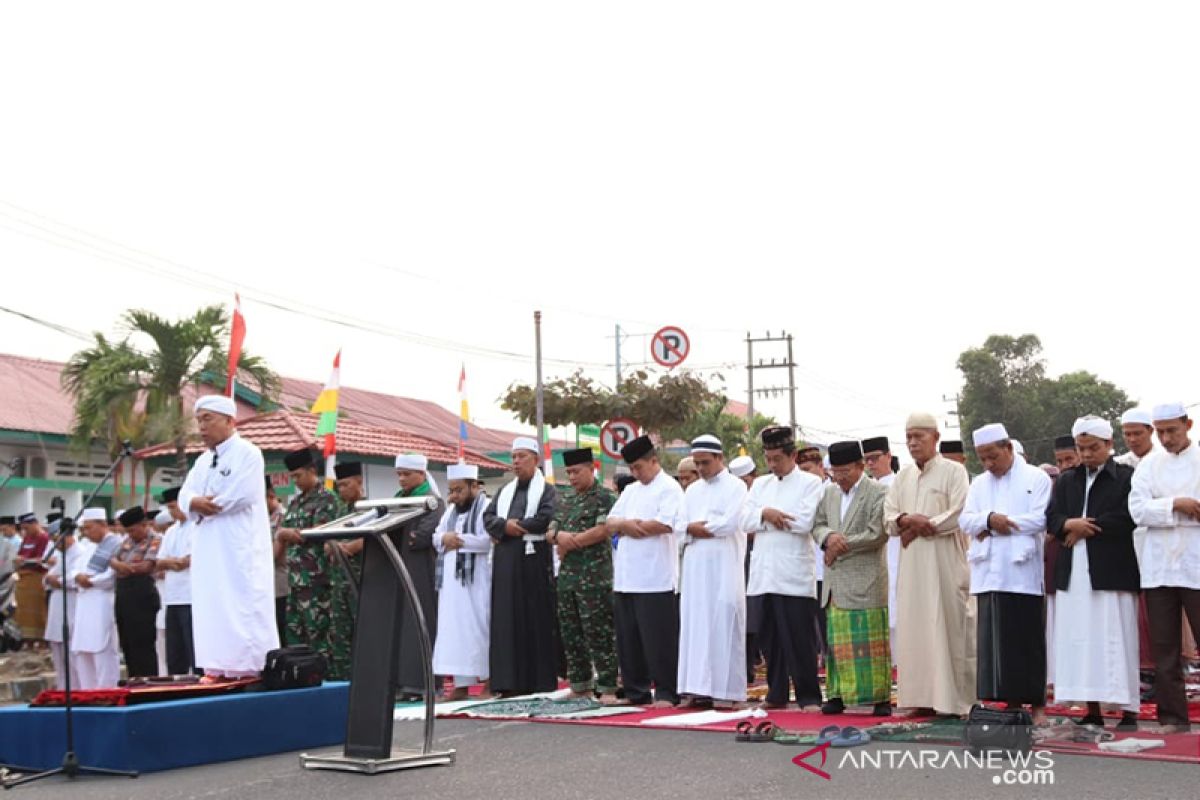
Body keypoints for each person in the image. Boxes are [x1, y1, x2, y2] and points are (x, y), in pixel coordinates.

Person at [177, 394, 279, 680]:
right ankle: (216, 666)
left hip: (238, 546)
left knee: (242, 603)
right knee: (212, 603)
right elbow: (186, 494)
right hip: (209, 545)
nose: (201, 426)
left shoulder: (248, 453)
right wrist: (195, 502)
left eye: (207, 419)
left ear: (230, 420)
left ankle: (247, 667)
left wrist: (207, 503)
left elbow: (242, 494)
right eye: (198, 420)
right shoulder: (202, 460)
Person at [1051, 415, 1141, 731]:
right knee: (1081, 639)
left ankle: (1128, 710)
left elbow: (1129, 516)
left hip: (1111, 570)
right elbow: (1051, 517)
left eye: (1093, 448)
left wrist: (1086, 527)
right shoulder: (1066, 480)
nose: (1087, 455)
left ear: (1109, 445)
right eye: (1082, 448)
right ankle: (1092, 709)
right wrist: (1067, 525)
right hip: (1074, 572)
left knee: (1117, 638)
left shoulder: (1126, 477)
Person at [884, 412, 974, 718]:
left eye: (919, 437)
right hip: (912, 568)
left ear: (935, 438)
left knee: (949, 628)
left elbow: (959, 512)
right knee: (914, 629)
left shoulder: (954, 471)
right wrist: (906, 521)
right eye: (908, 437)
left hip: (945, 561)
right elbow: (889, 518)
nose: (912, 443)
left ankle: (955, 702)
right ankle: (920, 699)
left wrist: (923, 525)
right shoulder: (902, 477)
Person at [960, 424, 1052, 724]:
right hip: (989, 573)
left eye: (993, 456)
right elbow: (967, 520)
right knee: (997, 645)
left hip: (1023, 574)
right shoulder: (978, 484)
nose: (988, 464)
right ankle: (1010, 704)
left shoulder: (1035, 478)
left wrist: (996, 526)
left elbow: (1039, 519)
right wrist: (988, 520)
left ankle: (1037, 706)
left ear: (1009, 448)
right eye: (983, 458)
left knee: (1028, 642)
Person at [741, 426, 825, 710]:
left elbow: (803, 522)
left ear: (792, 456)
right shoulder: (761, 485)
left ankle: (808, 696)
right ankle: (776, 694)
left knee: (799, 639)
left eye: (777, 458)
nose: (772, 464)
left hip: (793, 574)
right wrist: (767, 514)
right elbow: (744, 520)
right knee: (770, 638)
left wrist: (764, 520)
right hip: (764, 573)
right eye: (768, 458)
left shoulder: (810, 484)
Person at [1129, 402, 1200, 733]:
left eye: (1172, 430)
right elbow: (1138, 510)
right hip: (1158, 566)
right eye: (1161, 432)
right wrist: (1177, 504)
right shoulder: (1148, 466)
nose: (1167, 438)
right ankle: (1173, 718)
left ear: (1188, 424)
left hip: (1195, 562)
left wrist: (1163, 510)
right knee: (1165, 647)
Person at [813, 440, 891, 716]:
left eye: (845, 471)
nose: (840, 477)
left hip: (866, 578)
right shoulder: (830, 493)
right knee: (837, 644)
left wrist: (839, 545)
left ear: (860, 466)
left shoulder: (878, 492)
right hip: (835, 581)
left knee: (870, 642)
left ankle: (879, 698)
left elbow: (877, 533)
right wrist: (827, 538)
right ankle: (837, 695)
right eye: (835, 471)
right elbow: (817, 524)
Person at [605, 435, 684, 707]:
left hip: (656, 577)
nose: (636, 473)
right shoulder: (630, 491)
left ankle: (666, 692)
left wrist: (628, 526)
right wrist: (630, 525)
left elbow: (664, 524)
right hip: (626, 577)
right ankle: (635, 691)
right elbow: (610, 521)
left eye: (639, 467)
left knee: (659, 639)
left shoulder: (669, 488)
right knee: (629, 640)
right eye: (632, 469)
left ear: (654, 461)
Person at [483, 438, 558, 696]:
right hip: (505, 560)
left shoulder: (546, 490)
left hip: (532, 558)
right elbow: (489, 517)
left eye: (521, 456)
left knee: (534, 616)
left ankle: (538, 680)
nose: (515, 462)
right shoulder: (505, 490)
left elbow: (546, 517)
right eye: (513, 457)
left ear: (535, 459)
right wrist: (505, 527)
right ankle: (507, 681)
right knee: (505, 619)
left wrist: (519, 526)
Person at [679, 434, 748, 709]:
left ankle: (726, 691)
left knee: (724, 623)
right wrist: (697, 528)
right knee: (695, 625)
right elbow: (680, 524)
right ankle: (695, 689)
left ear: (720, 458)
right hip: (695, 567)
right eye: (697, 464)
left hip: (724, 567)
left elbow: (729, 524)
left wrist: (698, 528)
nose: (701, 469)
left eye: (706, 463)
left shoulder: (736, 487)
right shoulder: (692, 490)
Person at [552, 448, 619, 701]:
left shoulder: (605, 497)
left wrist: (572, 541)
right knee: (571, 632)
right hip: (568, 576)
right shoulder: (565, 499)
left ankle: (608, 686)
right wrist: (560, 537)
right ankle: (580, 684)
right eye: (568, 473)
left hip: (595, 576)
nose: (572, 478)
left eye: (576, 472)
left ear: (592, 469)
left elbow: (603, 530)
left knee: (599, 631)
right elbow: (551, 530)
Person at [276, 448, 347, 678]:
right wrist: (286, 534)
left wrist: (287, 533)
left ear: (312, 471)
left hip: (318, 580)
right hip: (296, 581)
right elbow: (286, 534)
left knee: (320, 636)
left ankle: (325, 681)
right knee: (295, 634)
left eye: (298, 476)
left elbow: (314, 533)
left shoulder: (327, 498)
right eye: (293, 477)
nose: (296, 482)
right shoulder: (296, 502)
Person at [432, 463, 492, 700]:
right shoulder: (451, 511)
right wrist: (445, 538)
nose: (454, 496)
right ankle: (461, 683)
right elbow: (436, 536)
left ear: (474, 486)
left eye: (459, 490)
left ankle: (489, 681)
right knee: (454, 631)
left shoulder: (485, 507)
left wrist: (457, 540)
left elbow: (487, 541)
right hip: (451, 584)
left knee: (479, 627)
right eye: (452, 490)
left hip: (476, 579)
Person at [390, 453, 444, 700]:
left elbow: (421, 537)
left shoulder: (432, 501)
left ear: (421, 474)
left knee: (422, 622)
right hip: (399, 567)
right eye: (399, 474)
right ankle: (403, 683)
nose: (402, 479)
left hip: (421, 569)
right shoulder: (397, 499)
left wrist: (402, 537)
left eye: (407, 474)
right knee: (401, 625)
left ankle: (423, 683)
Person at [1115, 407, 1159, 681]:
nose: (1132, 439)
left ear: (1150, 432)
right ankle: (1139, 670)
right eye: (1127, 434)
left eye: (1137, 433)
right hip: (1126, 546)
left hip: (1161, 544)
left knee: (1160, 613)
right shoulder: (1119, 465)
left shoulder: (1163, 461)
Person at [71, 509, 123, 688]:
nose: (86, 533)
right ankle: (87, 692)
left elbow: (111, 575)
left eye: (89, 528)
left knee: (103, 649)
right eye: (84, 529)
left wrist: (90, 581)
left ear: (102, 525)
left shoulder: (116, 544)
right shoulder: (87, 546)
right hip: (83, 602)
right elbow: (74, 569)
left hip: (102, 600)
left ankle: (106, 691)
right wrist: (78, 577)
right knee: (82, 651)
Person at [110, 507, 162, 678]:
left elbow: (147, 566)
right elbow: (112, 560)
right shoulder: (127, 541)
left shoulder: (155, 539)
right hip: (124, 593)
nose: (130, 534)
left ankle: (148, 683)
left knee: (143, 643)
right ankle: (134, 681)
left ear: (144, 525)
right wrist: (123, 567)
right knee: (127, 642)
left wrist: (124, 567)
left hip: (142, 594)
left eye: (133, 530)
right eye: (127, 531)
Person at [863, 435, 901, 665]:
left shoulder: (900, 484)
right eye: (866, 460)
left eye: (875, 458)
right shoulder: (866, 489)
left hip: (896, 550)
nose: (870, 464)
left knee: (897, 606)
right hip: (873, 555)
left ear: (888, 456)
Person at [43, 523, 92, 690]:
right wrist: (52, 580)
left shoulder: (80, 553)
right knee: (58, 651)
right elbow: (47, 577)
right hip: (56, 604)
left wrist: (57, 580)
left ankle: (76, 689)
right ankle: (63, 689)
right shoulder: (60, 553)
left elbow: (74, 579)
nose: (55, 545)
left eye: (57, 540)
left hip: (72, 603)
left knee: (72, 652)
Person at [155, 487, 196, 675]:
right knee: (174, 653)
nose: (173, 512)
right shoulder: (171, 531)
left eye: (175, 507)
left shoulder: (198, 526)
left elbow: (188, 561)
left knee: (193, 651)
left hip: (191, 597)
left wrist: (172, 562)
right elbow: (159, 561)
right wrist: (174, 562)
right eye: (170, 508)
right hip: (172, 598)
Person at [14, 513, 50, 644]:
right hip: (24, 579)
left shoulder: (43, 538)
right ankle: (27, 639)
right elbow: (20, 555)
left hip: (36, 578)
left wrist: (25, 561)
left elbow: (42, 560)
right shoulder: (27, 538)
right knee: (24, 612)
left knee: (38, 611)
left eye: (27, 528)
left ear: (35, 524)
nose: (25, 531)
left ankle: (41, 640)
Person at [266, 478, 289, 647]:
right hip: (264, 588)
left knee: (281, 633)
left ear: (271, 495)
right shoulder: (260, 519)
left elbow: (274, 555)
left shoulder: (283, 518)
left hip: (279, 585)